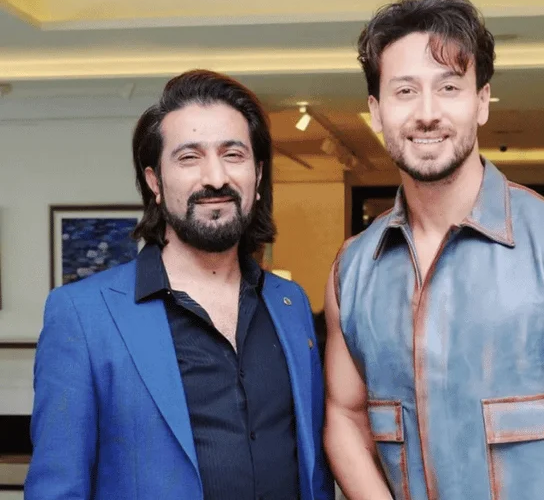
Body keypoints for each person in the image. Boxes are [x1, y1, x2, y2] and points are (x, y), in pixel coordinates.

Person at [323, 0, 544, 500]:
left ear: (481, 102)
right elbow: (345, 419)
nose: (427, 113)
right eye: (404, 91)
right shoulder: (352, 271)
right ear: (375, 111)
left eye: (449, 87)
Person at [26, 69, 334, 500]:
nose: (215, 178)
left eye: (233, 154)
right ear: (155, 181)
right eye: (189, 157)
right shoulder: (83, 316)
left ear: (258, 175)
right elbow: (57, 489)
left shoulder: (290, 304)